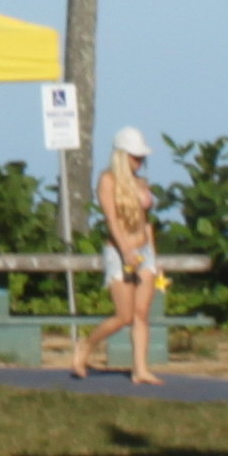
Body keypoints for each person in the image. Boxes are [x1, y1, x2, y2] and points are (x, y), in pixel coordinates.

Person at [71, 128, 163, 386]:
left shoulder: (142, 183)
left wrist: (153, 257)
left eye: (141, 157)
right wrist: (126, 252)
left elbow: (146, 222)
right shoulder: (107, 180)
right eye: (135, 156)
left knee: (142, 314)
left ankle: (140, 369)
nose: (140, 161)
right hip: (120, 251)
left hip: (144, 252)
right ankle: (86, 345)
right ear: (122, 156)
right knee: (124, 315)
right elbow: (111, 220)